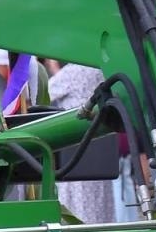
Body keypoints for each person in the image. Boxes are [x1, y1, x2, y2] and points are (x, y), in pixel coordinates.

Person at [45, 60, 116, 223]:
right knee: (101, 198)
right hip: (103, 146)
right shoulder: (103, 72)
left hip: (75, 145)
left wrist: (53, 68)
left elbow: (46, 92)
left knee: (76, 196)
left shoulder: (73, 72)